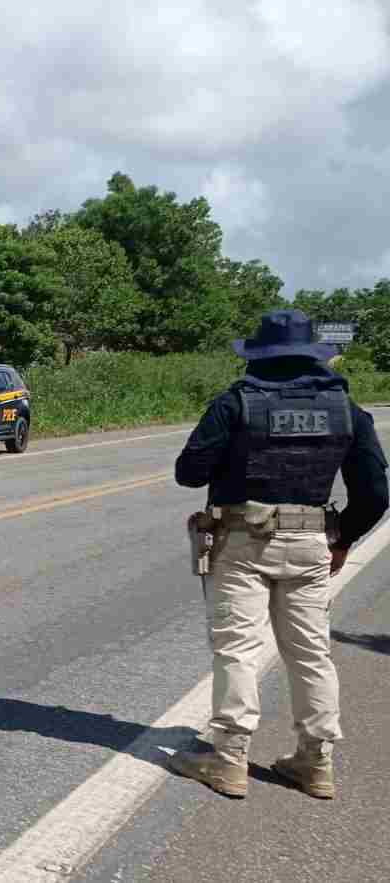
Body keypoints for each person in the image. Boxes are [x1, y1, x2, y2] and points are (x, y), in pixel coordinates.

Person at [170, 309, 388, 799]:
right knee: (311, 652)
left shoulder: (235, 402)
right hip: (311, 543)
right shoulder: (345, 409)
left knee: (238, 649)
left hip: (241, 542)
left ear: (257, 358)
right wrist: (343, 539)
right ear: (315, 356)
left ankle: (227, 759)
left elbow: (189, 472)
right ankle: (316, 762)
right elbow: (376, 492)